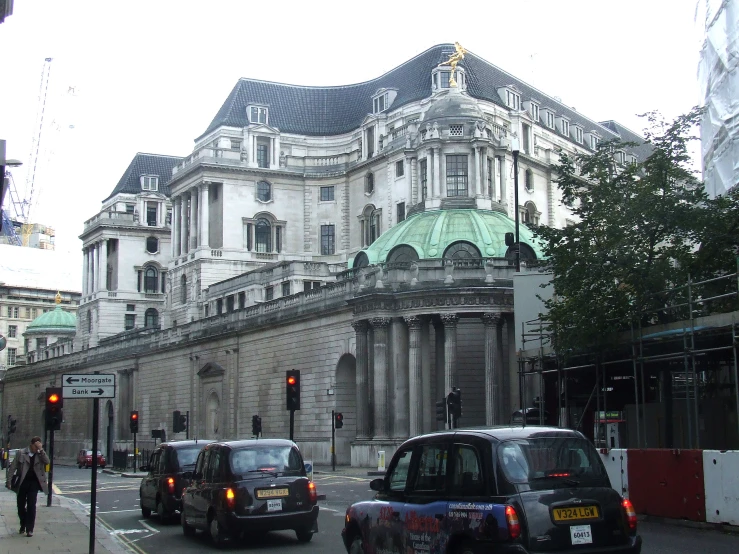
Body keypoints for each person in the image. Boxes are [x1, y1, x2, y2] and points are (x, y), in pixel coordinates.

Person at [5, 436, 49, 537]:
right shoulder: (21, 453)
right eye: (35, 446)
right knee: (20, 506)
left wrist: (41, 450)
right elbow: (13, 468)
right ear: (31, 444)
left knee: (31, 505)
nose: (36, 448)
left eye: (38, 446)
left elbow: (47, 461)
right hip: (22, 482)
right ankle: (23, 523)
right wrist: (8, 481)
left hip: (34, 483)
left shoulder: (40, 453)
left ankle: (30, 529)